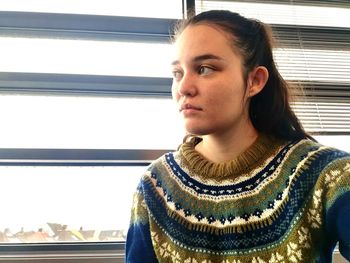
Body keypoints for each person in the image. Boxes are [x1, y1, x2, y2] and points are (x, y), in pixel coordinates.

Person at [125, 10, 350, 263]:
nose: (184, 88)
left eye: (205, 69)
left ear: (255, 80)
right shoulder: (154, 186)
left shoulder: (326, 175)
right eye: (178, 73)